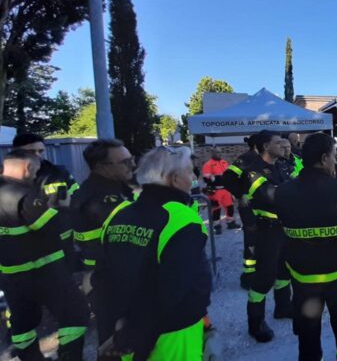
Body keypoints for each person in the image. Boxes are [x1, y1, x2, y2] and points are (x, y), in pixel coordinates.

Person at [98, 146, 211, 360]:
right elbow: (176, 289)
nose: (193, 177)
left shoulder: (118, 213)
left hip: (125, 328)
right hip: (172, 331)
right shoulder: (182, 218)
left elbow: (105, 276)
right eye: (190, 171)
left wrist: (122, 331)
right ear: (174, 179)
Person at [275, 133, 337, 361]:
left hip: (304, 282)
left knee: (308, 342)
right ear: (324, 158)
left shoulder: (283, 192)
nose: (335, 161)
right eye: (333, 156)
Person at [0, 150, 89, 360]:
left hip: (10, 276)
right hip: (44, 273)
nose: (35, 176)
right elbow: (51, 226)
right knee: (75, 316)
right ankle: (70, 356)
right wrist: (64, 209)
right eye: (35, 170)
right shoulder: (22, 195)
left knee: (22, 326)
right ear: (27, 167)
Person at [69, 139, 135, 349]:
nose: (132, 165)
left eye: (131, 159)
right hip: (107, 278)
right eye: (124, 161)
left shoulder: (116, 188)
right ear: (101, 167)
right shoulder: (97, 199)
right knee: (114, 341)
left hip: (117, 273)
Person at [241, 131, 292, 342]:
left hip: (284, 228)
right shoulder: (253, 171)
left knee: (284, 271)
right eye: (277, 142)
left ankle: (283, 307)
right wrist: (289, 191)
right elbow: (271, 195)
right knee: (264, 278)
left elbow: (289, 188)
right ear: (265, 146)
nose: (282, 145)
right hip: (267, 230)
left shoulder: (281, 166)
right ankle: (256, 323)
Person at [13, 133, 79, 271]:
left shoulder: (59, 174)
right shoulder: (7, 179)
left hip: (63, 245)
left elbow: (78, 200)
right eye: (31, 151)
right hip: (24, 253)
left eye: (41, 151)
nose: (37, 155)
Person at [221, 134, 261, 289]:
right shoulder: (245, 159)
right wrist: (240, 194)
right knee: (251, 241)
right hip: (249, 208)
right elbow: (227, 178)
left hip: (260, 208)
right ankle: (248, 277)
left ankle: (259, 272)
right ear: (258, 146)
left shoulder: (262, 159)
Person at [202, 149, 240, 235]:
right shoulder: (208, 164)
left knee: (230, 207)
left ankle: (230, 223)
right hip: (215, 190)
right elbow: (206, 178)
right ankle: (217, 227)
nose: (219, 154)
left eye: (220, 152)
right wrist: (216, 179)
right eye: (217, 152)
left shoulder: (224, 162)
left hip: (226, 190)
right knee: (216, 209)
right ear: (212, 154)